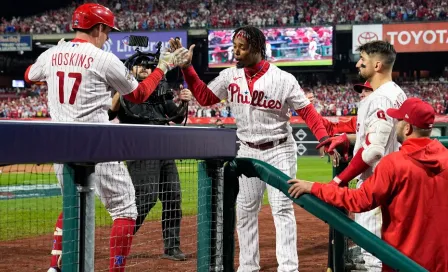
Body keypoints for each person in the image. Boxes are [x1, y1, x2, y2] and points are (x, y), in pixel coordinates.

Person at [23, 3, 182, 272]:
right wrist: (163, 67)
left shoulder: (51, 53)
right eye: (107, 30)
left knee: (72, 203)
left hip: (61, 145)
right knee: (125, 210)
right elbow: (140, 95)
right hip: (97, 143)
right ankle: (115, 269)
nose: (108, 36)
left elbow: (29, 75)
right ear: (97, 27)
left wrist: (56, 72)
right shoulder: (104, 58)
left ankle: (54, 267)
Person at [170, 25, 332, 272]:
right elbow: (204, 97)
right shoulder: (229, 76)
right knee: (245, 210)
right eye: (234, 47)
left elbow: (307, 111)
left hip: (279, 148)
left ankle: (288, 268)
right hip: (247, 148)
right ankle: (248, 266)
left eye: (242, 48)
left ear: (257, 48)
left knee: (281, 208)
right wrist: (187, 68)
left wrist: (322, 137)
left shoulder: (282, 78)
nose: (236, 52)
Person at [288, 97, 448, 272]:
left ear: (408, 127)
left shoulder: (394, 163)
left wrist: (314, 187)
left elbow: (359, 200)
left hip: (403, 262)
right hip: (441, 262)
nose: (396, 124)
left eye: (399, 120)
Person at [317, 40, 407, 271]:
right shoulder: (396, 92)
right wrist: (347, 139)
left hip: (377, 185)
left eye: (363, 60)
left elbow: (374, 150)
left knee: (374, 259)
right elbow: (382, 138)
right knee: (387, 254)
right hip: (393, 181)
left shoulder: (379, 98)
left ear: (377, 65)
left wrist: (339, 180)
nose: (358, 64)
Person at [108, 56, 192, 261]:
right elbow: (110, 113)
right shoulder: (125, 89)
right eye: (141, 65)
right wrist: (120, 92)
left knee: (173, 197)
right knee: (146, 197)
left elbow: (178, 117)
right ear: (130, 69)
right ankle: (122, 240)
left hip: (164, 149)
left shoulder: (160, 90)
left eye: (149, 66)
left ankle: (172, 247)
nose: (146, 68)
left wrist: (183, 100)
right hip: (141, 149)